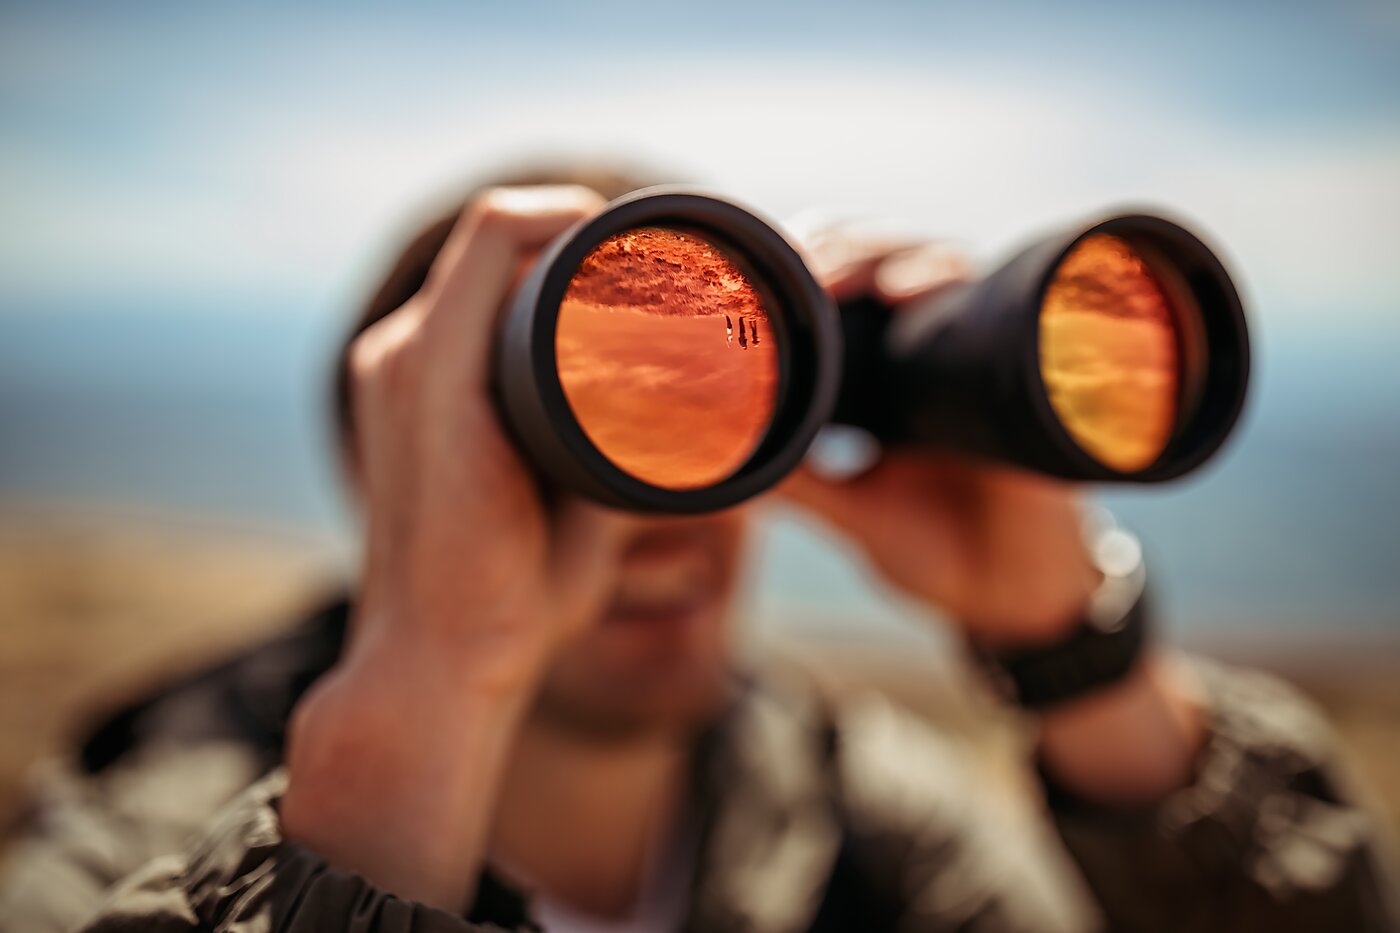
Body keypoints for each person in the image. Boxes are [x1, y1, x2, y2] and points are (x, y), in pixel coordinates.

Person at [1, 165, 1396, 933]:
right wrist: (427, 687)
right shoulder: (139, 834)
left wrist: (1067, 650)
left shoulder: (864, 820)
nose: (663, 514)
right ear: (406, 487)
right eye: (587, 415)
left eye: (721, 405)